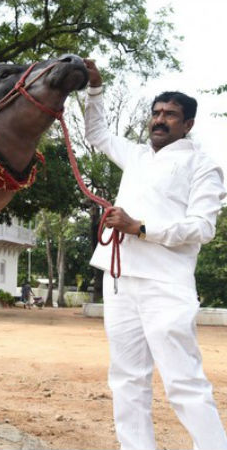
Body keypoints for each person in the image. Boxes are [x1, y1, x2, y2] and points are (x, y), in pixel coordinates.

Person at [83, 59, 227, 450]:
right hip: (119, 278)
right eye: (157, 112)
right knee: (126, 378)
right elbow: (95, 132)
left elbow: (202, 228)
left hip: (166, 283)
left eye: (170, 115)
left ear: (188, 124)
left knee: (183, 380)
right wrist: (95, 89)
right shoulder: (137, 155)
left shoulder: (203, 166)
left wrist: (140, 227)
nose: (160, 120)